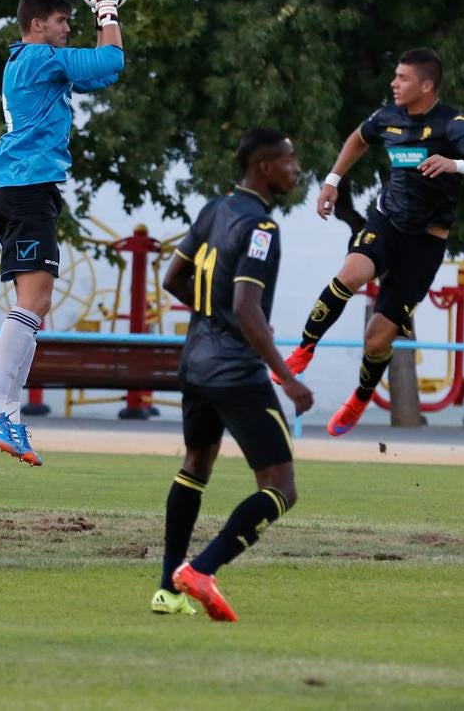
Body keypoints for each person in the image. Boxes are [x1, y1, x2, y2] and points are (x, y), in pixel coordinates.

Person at [274, 47, 464, 437]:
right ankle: (304, 349)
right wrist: (332, 181)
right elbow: (357, 140)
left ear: (426, 85)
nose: (394, 84)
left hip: (425, 243)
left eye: (403, 78)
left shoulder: (453, 124)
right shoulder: (387, 117)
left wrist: (456, 164)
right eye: (394, 76)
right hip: (386, 221)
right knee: (350, 275)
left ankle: (361, 397)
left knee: (377, 338)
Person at [151, 129, 314, 622]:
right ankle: (202, 570)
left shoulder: (213, 210)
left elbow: (173, 278)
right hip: (233, 370)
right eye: (289, 160)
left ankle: (168, 590)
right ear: (265, 167)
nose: (296, 169)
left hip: (195, 362)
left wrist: (211, 317)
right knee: (281, 487)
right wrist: (286, 376)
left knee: (196, 465)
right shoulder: (262, 228)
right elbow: (247, 307)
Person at [0, 0, 128, 465]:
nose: (67, 29)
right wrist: (107, 7)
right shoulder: (39, 56)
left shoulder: (30, 59)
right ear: (36, 24)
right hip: (26, 189)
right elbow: (109, 63)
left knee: (36, 303)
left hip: (22, 189)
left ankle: (6, 409)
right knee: (34, 299)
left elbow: (100, 73)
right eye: (62, 21)